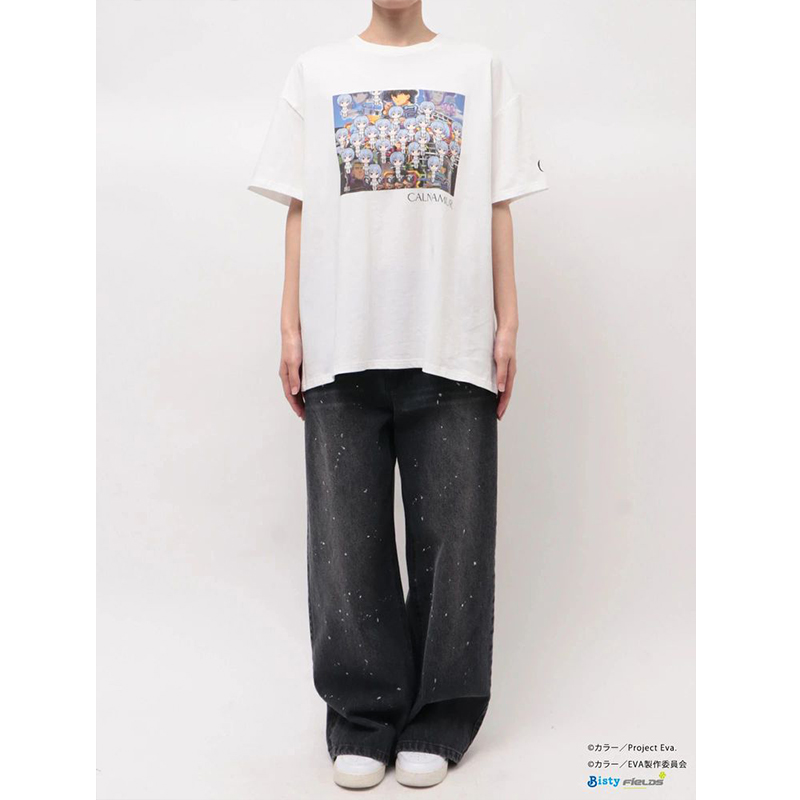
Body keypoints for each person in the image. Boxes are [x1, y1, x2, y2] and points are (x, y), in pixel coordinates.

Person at [248, 0, 547, 789]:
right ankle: (363, 717)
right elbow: (299, 206)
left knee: (455, 541)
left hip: (450, 333)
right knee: (345, 544)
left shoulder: (478, 70)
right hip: (341, 336)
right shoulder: (316, 72)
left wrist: (508, 320)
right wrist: (290, 324)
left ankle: (441, 718)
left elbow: (498, 201)